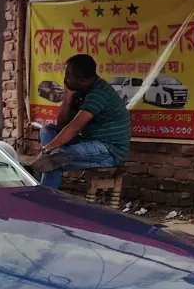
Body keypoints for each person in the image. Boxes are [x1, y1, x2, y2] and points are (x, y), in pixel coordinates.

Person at [32, 54, 130, 189]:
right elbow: (62, 124)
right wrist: (67, 96)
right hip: (87, 141)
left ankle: (45, 201)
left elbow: (74, 127)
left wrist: (47, 149)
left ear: (82, 79)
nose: (65, 79)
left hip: (108, 150)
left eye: (68, 76)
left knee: (53, 161)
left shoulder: (98, 94)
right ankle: (55, 158)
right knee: (47, 131)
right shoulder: (81, 91)